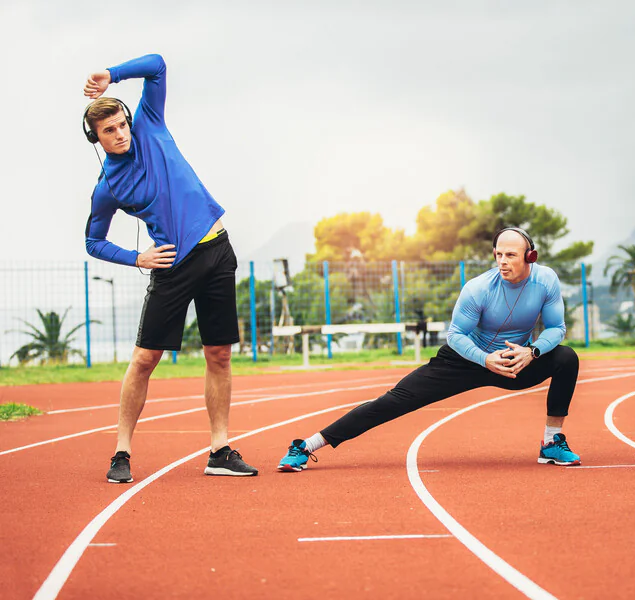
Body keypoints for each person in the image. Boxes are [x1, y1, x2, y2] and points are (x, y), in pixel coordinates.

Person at [83, 54, 257, 483]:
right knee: (145, 358)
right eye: (110, 130)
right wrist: (136, 258)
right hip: (172, 268)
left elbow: (158, 65)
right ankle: (121, 452)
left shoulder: (150, 125)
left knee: (219, 354)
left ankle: (219, 449)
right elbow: (93, 241)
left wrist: (113, 75)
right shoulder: (107, 188)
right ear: (97, 138)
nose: (121, 133)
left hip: (217, 251)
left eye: (121, 123)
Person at [277, 228, 581, 471]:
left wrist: (533, 352)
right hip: (466, 358)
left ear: (530, 256)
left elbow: (556, 328)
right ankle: (307, 446)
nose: (502, 261)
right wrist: (484, 359)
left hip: (516, 360)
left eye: (511, 255)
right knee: (392, 401)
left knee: (566, 358)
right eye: (498, 254)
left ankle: (551, 443)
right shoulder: (478, 288)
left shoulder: (545, 280)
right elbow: (456, 334)